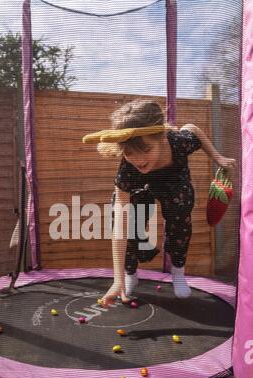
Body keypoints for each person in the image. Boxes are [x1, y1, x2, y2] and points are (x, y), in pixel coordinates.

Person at [82, 99, 236, 305]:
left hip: (174, 180)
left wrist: (218, 157)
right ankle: (130, 275)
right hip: (139, 186)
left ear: (162, 136)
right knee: (132, 225)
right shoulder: (129, 170)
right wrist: (117, 279)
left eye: (146, 150)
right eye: (129, 153)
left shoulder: (179, 141)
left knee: (180, 219)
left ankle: (178, 272)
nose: (138, 160)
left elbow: (192, 128)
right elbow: (120, 225)